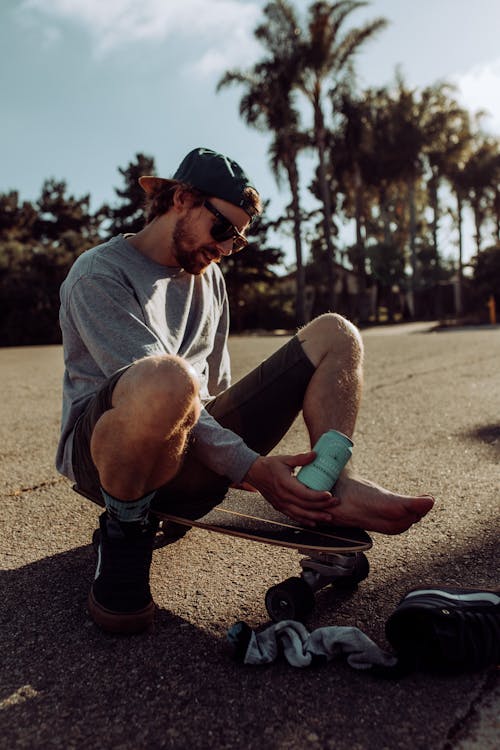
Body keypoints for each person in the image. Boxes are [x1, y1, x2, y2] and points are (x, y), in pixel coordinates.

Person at [56, 147, 434, 634]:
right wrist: (252, 467)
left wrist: (259, 469)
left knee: (336, 333)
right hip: (111, 456)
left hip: (192, 443)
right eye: (223, 231)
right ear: (183, 200)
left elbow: (217, 391)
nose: (225, 249)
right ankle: (125, 530)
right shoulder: (99, 274)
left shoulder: (208, 277)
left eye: (236, 242)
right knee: (167, 377)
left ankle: (326, 484)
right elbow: (153, 392)